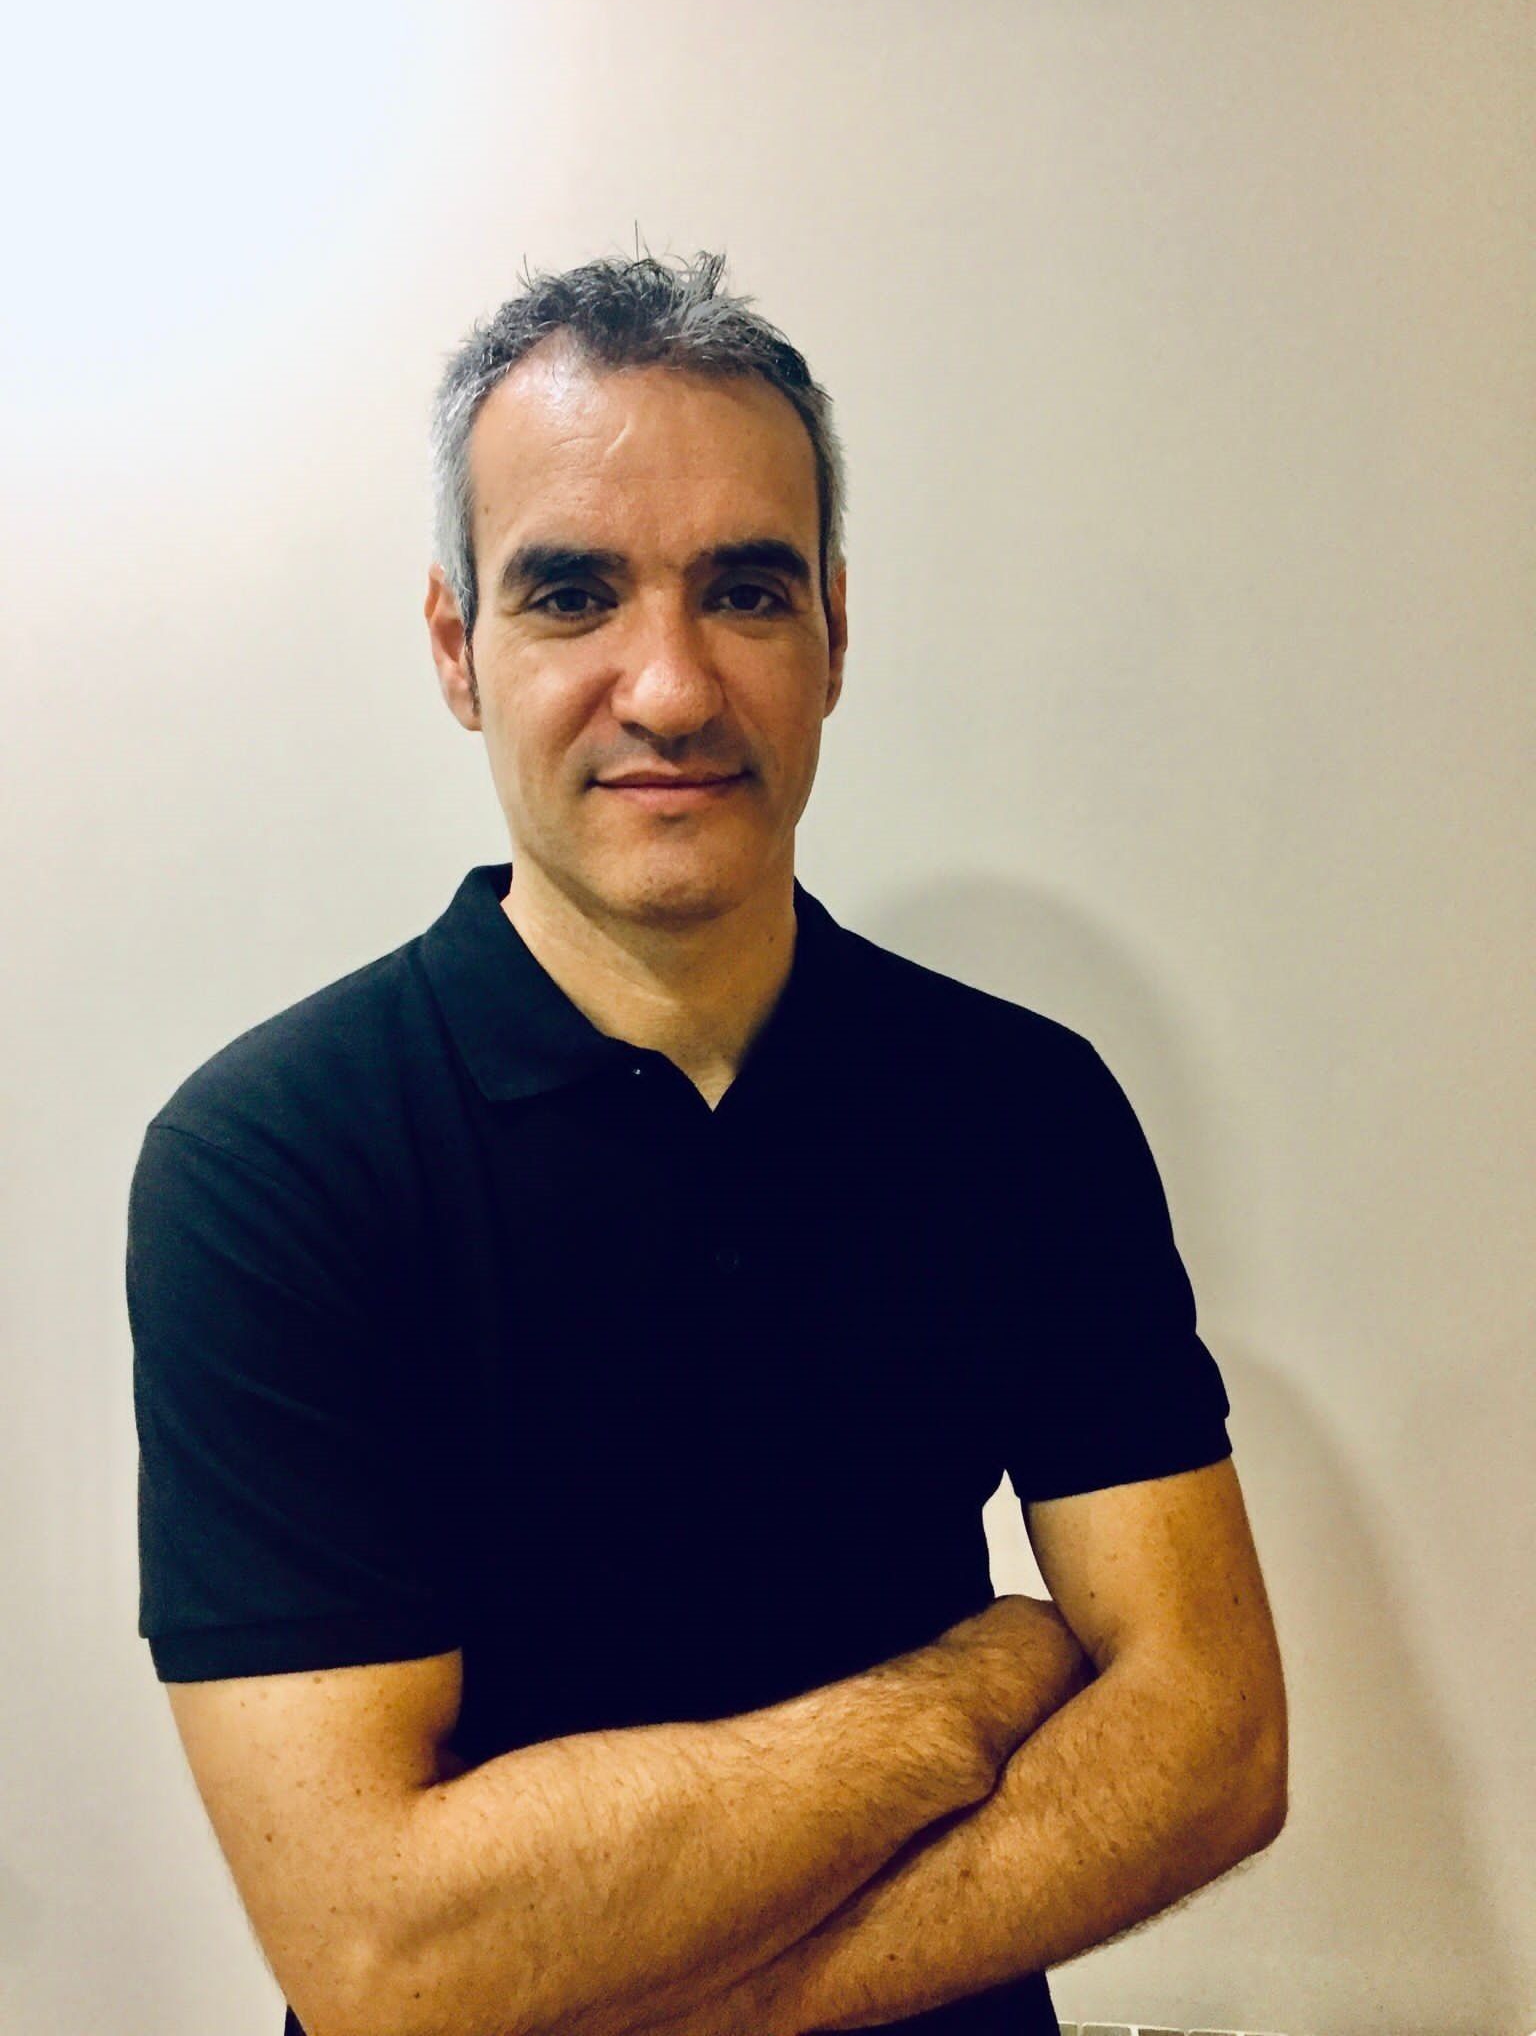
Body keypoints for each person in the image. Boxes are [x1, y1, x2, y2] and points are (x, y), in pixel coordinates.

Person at [127, 247, 1288, 2036]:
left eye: (745, 591)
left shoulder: (1021, 1109)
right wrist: (965, 1694)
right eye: (571, 594)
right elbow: (382, 1951)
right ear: (456, 647)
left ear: (836, 634)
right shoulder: (271, 1167)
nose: (669, 687)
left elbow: (1213, 1743)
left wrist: (697, 2009)